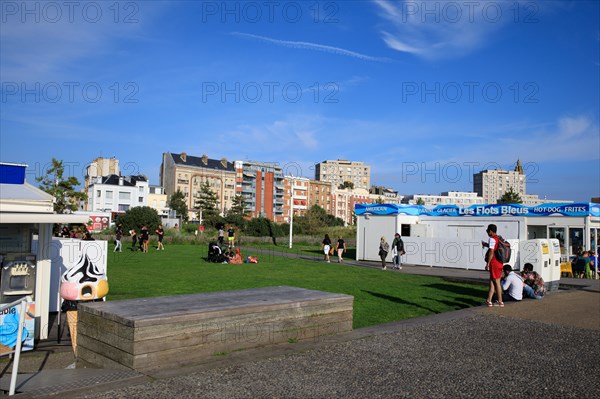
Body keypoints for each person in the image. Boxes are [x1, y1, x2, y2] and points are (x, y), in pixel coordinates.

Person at [482, 224, 505, 307]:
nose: (487, 232)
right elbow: (495, 247)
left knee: (496, 282)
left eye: (487, 231)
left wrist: (487, 264)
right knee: (492, 281)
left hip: (494, 262)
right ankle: (489, 300)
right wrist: (486, 245)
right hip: (499, 262)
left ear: (490, 231)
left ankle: (500, 301)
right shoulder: (498, 238)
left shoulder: (492, 238)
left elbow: (491, 252)